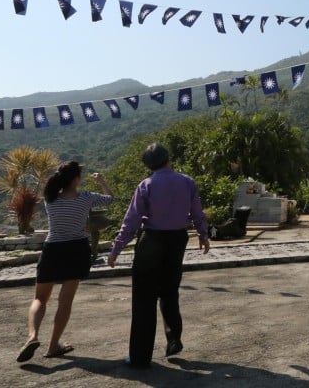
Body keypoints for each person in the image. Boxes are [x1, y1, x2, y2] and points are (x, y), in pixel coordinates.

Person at [107, 143, 210, 369]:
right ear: (168, 159)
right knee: (169, 290)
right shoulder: (187, 182)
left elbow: (131, 221)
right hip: (177, 240)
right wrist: (203, 235)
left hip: (151, 241)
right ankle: (173, 338)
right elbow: (197, 212)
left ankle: (140, 357)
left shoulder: (146, 185)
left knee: (144, 299)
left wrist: (116, 249)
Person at [17, 161, 113, 363]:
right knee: (65, 301)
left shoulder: (50, 199)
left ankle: (32, 336)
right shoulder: (86, 198)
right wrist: (102, 181)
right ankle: (53, 346)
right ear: (76, 179)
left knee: (40, 299)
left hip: (53, 249)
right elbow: (110, 199)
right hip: (77, 250)